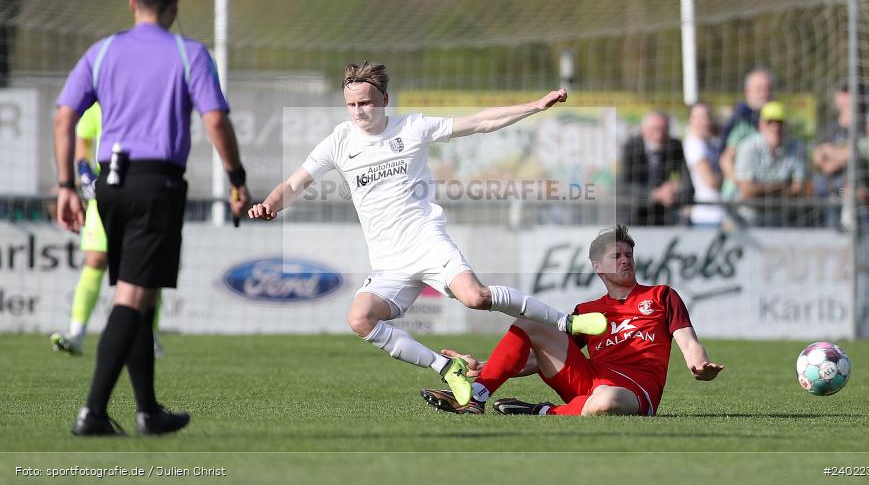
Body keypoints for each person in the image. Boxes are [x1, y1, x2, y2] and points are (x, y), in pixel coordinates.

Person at [248, 61, 608, 407]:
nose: (358, 111)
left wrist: (535, 106)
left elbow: (480, 123)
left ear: (385, 100)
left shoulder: (412, 127)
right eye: (351, 105)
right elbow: (295, 183)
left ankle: (566, 321)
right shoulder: (339, 141)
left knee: (476, 297)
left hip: (428, 242)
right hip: (389, 262)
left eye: (366, 103)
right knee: (360, 318)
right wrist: (270, 204)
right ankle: (447, 367)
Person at [54, 0, 249, 436]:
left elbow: (64, 119)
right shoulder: (189, 53)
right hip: (155, 184)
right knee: (133, 295)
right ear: (175, 6)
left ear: (132, 2)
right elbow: (216, 121)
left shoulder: (102, 53)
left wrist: (64, 186)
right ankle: (93, 414)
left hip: (109, 185)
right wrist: (237, 177)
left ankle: (147, 412)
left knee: (137, 294)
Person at [420, 225, 724, 416]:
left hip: (635, 390)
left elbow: (688, 342)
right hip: (587, 379)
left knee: (607, 401)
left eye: (629, 254)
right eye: (616, 254)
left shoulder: (661, 296)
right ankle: (476, 396)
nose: (625, 259)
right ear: (597, 266)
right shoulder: (587, 309)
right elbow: (543, 358)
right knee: (531, 322)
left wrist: (700, 366)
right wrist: (485, 367)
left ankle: (543, 411)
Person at [50, 102, 164, 358]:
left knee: (145, 266)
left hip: (140, 187)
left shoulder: (144, 103)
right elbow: (83, 142)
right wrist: (85, 173)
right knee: (95, 259)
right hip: (105, 193)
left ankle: (150, 335)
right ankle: (77, 332)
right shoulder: (95, 108)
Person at [732, 101, 809, 227]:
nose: (775, 127)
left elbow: (800, 190)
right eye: (770, 122)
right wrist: (783, 185)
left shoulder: (797, 148)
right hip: (747, 219)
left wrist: (760, 190)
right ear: (761, 125)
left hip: (782, 219)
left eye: (780, 122)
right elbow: (746, 191)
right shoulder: (747, 147)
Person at [617, 111, 693, 226]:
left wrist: (674, 191)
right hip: (632, 219)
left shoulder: (675, 147)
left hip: (663, 219)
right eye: (654, 129)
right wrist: (655, 194)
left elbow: (689, 188)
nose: (659, 135)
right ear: (643, 130)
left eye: (664, 130)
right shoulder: (631, 147)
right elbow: (622, 187)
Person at [719, 67, 775, 201]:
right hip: (740, 201)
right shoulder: (741, 121)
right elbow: (725, 160)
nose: (764, 93)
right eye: (759, 89)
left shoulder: (777, 122)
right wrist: (743, 188)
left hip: (768, 199)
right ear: (747, 92)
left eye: (768, 89)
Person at [813, 82, 862, 226]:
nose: (846, 98)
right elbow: (819, 160)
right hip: (828, 190)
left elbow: (857, 153)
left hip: (852, 190)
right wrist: (843, 156)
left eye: (849, 92)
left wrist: (830, 151)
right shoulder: (829, 128)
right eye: (843, 93)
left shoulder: (863, 127)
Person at [683, 102, 724, 226]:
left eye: (707, 117)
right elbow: (710, 181)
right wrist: (730, 173)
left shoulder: (710, 142)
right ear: (690, 120)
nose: (705, 122)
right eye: (700, 118)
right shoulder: (694, 144)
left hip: (718, 212)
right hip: (708, 214)